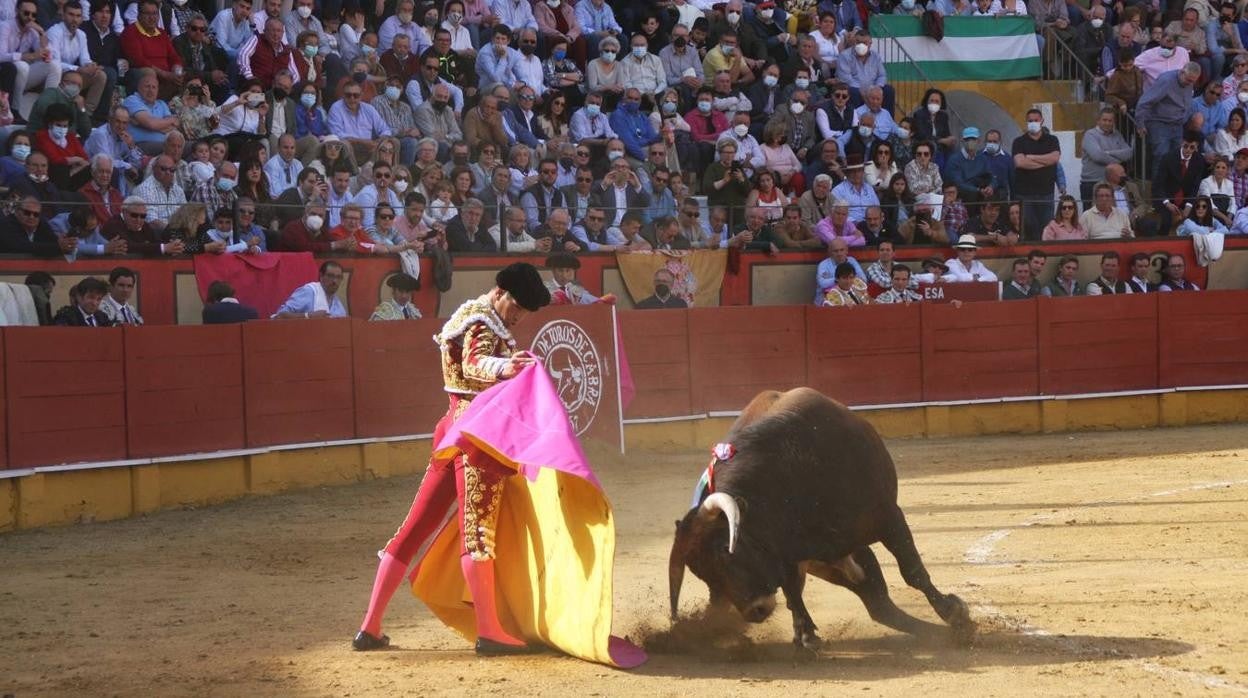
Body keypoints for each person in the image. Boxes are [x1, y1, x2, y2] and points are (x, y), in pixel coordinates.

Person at [353, 262, 550, 654]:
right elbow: (475, 364)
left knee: (414, 530)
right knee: (478, 535)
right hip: (478, 438)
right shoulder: (481, 321)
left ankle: (370, 627)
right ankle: (490, 631)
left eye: (526, 311)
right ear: (500, 292)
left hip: (452, 433)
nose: (520, 316)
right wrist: (506, 366)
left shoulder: (470, 315)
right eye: (518, 306)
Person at [1011, 109, 1060, 239]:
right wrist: (1045, 162)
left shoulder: (1052, 140)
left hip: (1046, 193)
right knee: (1027, 228)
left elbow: (1054, 158)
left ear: (1042, 121)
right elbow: (1020, 162)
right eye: (1030, 121)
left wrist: (1032, 157)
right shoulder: (1019, 141)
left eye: (1036, 120)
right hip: (1024, 194)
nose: (1033, 123)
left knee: (1046, 229)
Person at [273, 260, 348, 318]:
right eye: (330, 276)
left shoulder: (337, 304)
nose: (335, 281)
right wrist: (308, 316)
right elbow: (280, 315)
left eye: (338, 277)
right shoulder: (309, 292)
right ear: (321, 276)